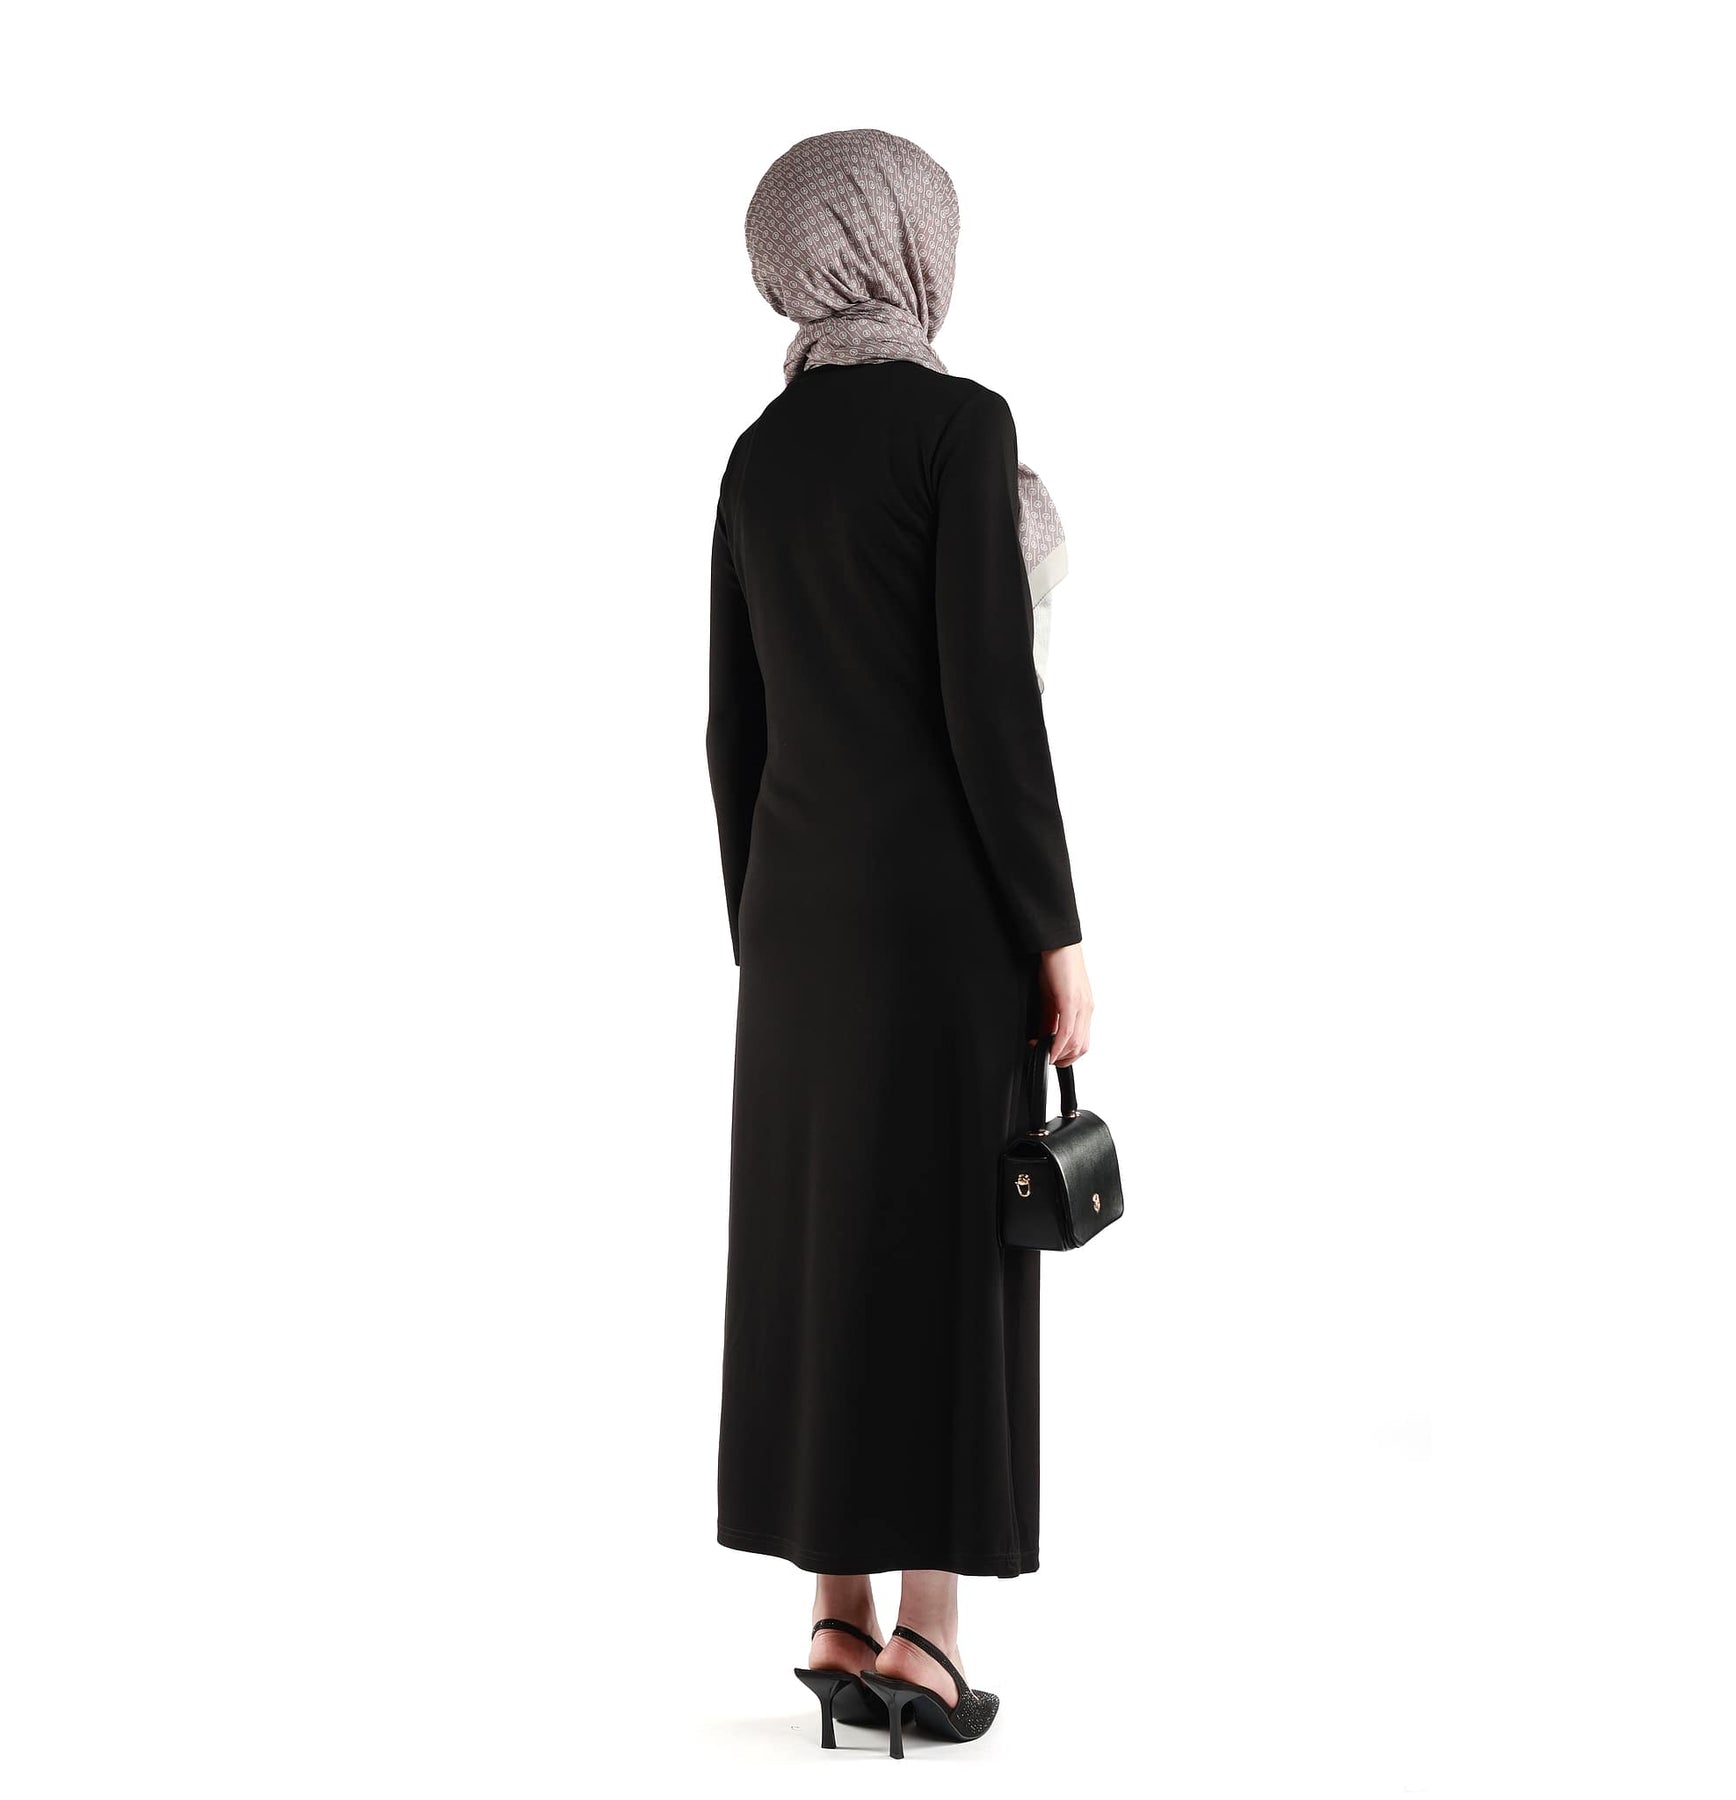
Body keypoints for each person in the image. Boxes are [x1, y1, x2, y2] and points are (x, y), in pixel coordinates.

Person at [707, 129, 1092, 1758]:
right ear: (906, 247)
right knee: (943, 1255)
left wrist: (769, 929)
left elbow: (733, 731)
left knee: (818, 1251)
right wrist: (1053, 935)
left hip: (797, 933)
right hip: (945, 928)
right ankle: (927, 1643)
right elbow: (990, 712)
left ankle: (832, 1614)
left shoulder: (758, 457)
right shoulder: (959, 430)